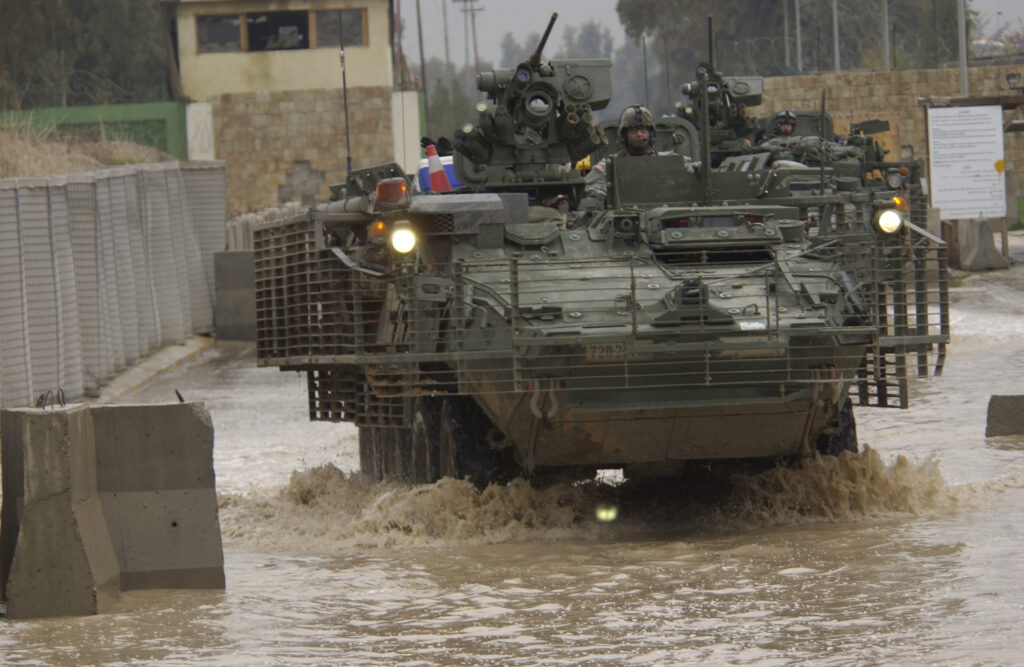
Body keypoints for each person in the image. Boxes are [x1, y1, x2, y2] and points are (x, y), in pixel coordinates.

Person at [582, 105, 659, 205]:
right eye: (633, 130)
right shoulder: (609, 164)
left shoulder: (668, 160)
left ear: (650, 134)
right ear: (624, 135)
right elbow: (589, 189)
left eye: (643, 130)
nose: (639, 134)